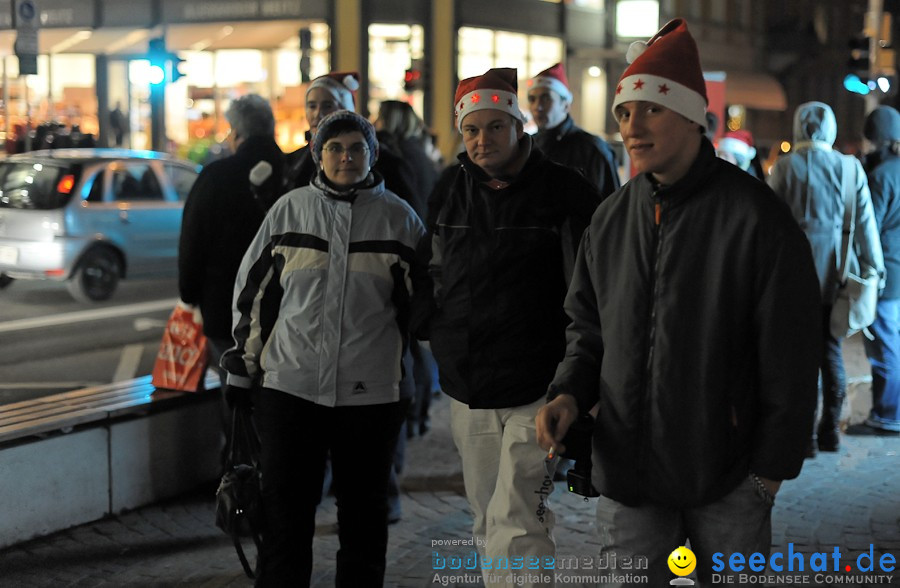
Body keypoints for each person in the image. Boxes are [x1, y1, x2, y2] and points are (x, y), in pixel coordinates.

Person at [535, 19, 821, 587]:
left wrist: (770, 469)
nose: (632, 127)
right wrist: (568, 392)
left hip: (728, 475)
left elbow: (791, 352)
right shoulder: (611, 219)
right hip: (629, 475)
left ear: (693, 116)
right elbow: (587, 329)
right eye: (623, 113)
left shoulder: (755, 218)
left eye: (651, 110)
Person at [221, 110, 426, 586]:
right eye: (334, 148)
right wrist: (241, 365)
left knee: (364, 520)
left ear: (372, 154)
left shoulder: (399, 219)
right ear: (317, 155)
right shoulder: (289, 211)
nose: (346, 157)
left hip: (371, 395)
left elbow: (424, 306)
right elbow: (251, 297)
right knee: (286, 517)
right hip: (291, 391)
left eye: (356, 148)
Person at [415, 67, 602, 588]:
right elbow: (425, 269)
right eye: (472, 129)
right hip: (467, 382)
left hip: (539, 385)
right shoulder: (450, 188)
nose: (482, 140)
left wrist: (579, 377)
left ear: (520, 126)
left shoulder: (565, 191)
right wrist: (436, 331)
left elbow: (591, 288)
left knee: (519, 511)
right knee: (485, 513)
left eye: (496, 126)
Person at [768, 101, 884, 454]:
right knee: (830, 349)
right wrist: (874, 270)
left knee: (799, 357)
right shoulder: (849, 169)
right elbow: (866, 225)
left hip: (793, 278)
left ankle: (804, 436)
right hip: (837, 275)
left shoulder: (785, 168)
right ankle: (830, 429)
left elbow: (767, 222)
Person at [178, 93, 285, 394]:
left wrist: (189, 295)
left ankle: (238, 441)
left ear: (237, 133)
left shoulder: (215, 177)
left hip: (226, 306)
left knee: (234, 387)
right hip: (287, 305)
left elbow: (192, 243)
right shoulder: (293, 172)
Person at [375, 99, 441, 437]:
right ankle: (421, 412)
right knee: (415, 342)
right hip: (426, 248)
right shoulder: (421, 152)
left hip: (410, 252)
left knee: (409, 344)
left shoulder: (398, 156)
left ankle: (414, 413)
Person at [284, 72, 415, 204]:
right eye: (312, 106)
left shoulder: (387, 163)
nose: (318, 113)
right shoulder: (296, 161)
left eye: (327, 105)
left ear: (345, 108)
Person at [848, 105, 900, 437]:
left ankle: (887, 415)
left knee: (885, 346)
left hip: (887, 273)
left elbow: (870, 228)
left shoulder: (881, 176)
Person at [527, 62, 620, 198]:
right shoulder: (527, 146)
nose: (537, 107)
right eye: (532, 99)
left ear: (565, 105)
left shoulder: (592, 149)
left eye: (546, 98)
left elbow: (611, 206)